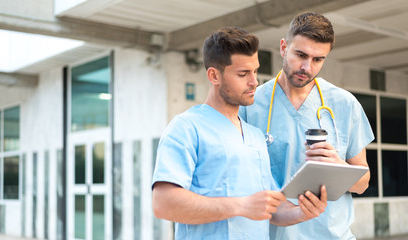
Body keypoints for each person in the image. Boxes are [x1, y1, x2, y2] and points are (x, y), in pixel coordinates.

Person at [152, 26, 327, 239]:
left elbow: (271, 209)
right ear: (214, 75)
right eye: (243, 74)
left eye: (255, 71)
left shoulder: (255, 137)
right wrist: (241, 205)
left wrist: (303, 212)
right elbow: (163, 204)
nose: (254, 82)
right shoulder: (186, 128)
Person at [239, 12, 374, 239]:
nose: (306, 67)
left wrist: (341, 167)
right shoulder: (250, 104)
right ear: (283, 48)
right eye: (300, 54)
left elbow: (362, 184)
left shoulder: (345, 104)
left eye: (318, 59)